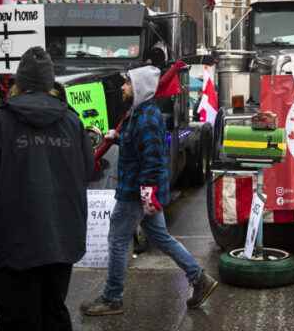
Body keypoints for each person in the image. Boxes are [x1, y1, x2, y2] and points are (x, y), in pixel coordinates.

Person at [0, 47, 94, 330]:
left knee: (16, 320)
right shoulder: (72, 122)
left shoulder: (0, 121)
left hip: (12, 245)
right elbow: (88, 171)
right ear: (51, 84)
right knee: (54, 314)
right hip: (61, 240)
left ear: (18, 83)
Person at [80, 66, 218, 316]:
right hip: (141, 191)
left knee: (118, 240)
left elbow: (154, 159)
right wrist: (117, 137)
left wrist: (147, 194)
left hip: (135, 192)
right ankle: (200, 279)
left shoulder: (146, 118)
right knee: (161, 237)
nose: (123, 87)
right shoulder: (139, 113)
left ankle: (112, 298)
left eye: (127, 83)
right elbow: (140, 147)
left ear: (139, 88)